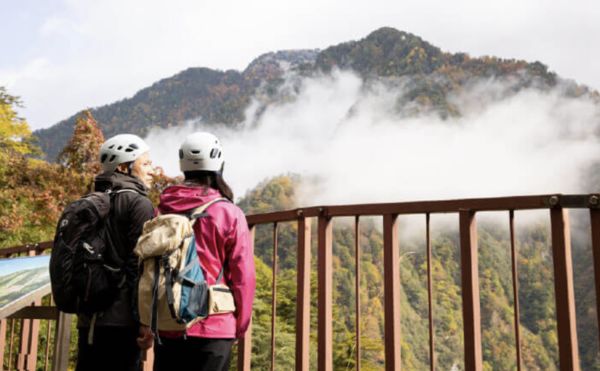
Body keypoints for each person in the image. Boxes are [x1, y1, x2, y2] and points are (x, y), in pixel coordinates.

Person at [138, 132, 255, 371]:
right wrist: (239, 325)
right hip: (215, 323)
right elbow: (243, 276)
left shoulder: (163, 210)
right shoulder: (228, 213)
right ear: (218, 165)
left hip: (168, 320)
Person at [76, 134, 155, 371]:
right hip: (121, 320)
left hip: (89, 315)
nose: (153, 170)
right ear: (124, 167)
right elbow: (138, 265)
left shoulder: (89, 201)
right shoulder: (139, 203)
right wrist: (144, 320)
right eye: (146, 163)